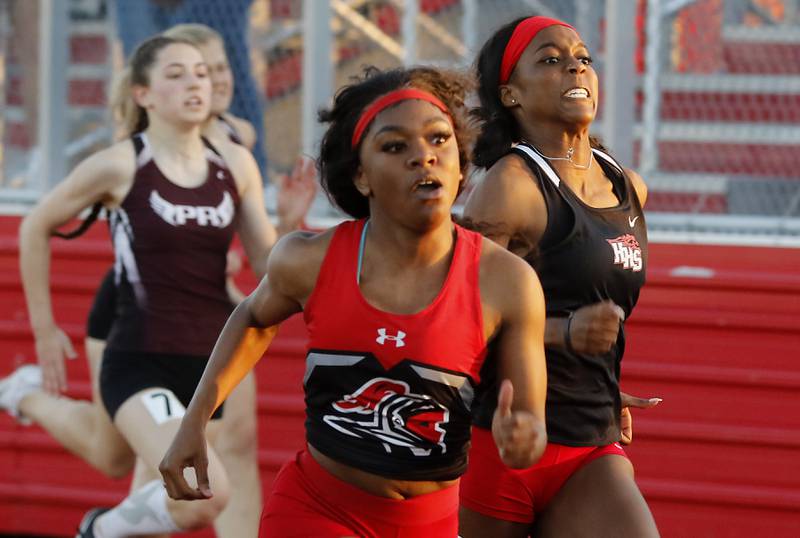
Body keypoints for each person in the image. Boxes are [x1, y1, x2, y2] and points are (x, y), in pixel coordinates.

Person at [159, 65, 548, 538]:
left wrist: (524, 440)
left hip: (436, 520)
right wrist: (194, 421)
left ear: (462, 163)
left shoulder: (508, 281)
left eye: (439, 139)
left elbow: (529, 421)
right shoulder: (308, 259)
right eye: (394, 146)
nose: (423, 157)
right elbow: (253, 318)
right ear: (361, 176)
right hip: (317, 508)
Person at [9, 35, 280, 537]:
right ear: (143, 94)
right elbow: (34, 225)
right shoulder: (122, 164)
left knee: (114, 460)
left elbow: (268, 259)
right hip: (138, 358)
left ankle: (27, 399)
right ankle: (99, 529)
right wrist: (45, 329)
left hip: (207, 367)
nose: (194, 84)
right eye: (175, 75)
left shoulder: (234, 165)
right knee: (204, 492)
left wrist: (302, 231)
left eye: (200, 73)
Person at [457, 16, 661, 538]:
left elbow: (591, 297)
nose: (575, 65)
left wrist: (602, 378)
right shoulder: (510, 187)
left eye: (584, 58)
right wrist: (564, 333)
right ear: (511, 94)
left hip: (590, 434)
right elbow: (458, 319)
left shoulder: (627, 186)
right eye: (549, 59)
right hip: (502, 435)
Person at [111, 0, 269, 174]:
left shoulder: (241, 133)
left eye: (222, 68)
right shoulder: (133, 156)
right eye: (204, 72)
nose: (218, 81)